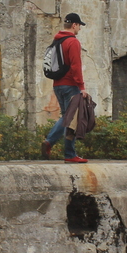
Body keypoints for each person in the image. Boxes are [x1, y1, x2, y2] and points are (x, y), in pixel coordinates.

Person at [42, 13, 90, 164]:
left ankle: (69, 153)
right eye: (79, 26)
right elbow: (76, 66)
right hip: (70, 85)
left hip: (58, 85)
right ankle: (56, 145)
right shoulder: (73, 42)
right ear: (74, 25)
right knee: (71, 119)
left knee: (67, 118)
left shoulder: (57, 41)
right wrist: (81, 87)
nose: (79, 29)